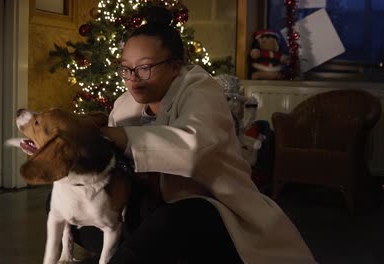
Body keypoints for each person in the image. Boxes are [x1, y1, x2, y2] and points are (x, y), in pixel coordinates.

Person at [99, 6, 317, 264]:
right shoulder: (125, 105)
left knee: (170, 224)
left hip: (214, 207)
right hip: (152, 202)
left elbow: (191, 149)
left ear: (175, 67)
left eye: (145, 68)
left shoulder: (201, 89)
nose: (133, 79)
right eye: (126, 69)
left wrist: (114, 135)